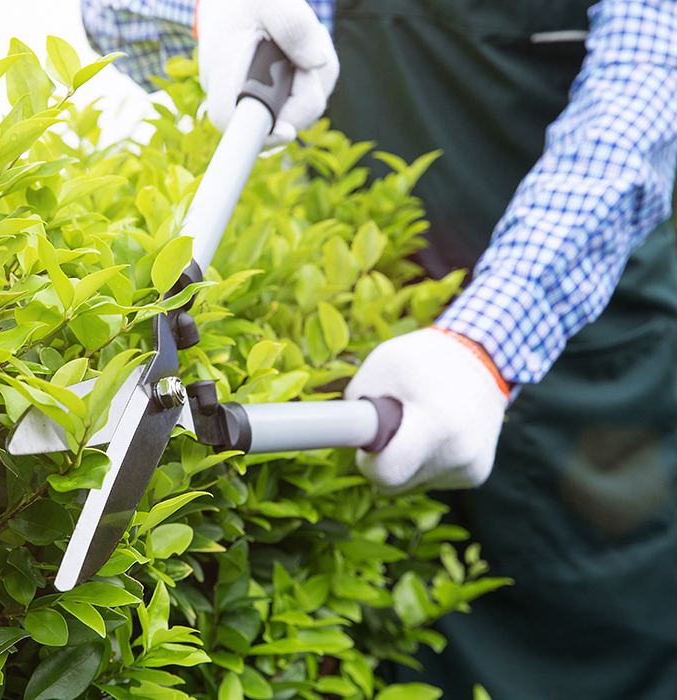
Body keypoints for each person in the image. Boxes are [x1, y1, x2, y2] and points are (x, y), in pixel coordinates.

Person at [82, 0, 677, 697]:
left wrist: (484, 343)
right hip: (363, 370)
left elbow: (647, 91)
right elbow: (114, 15)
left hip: (588, 382)